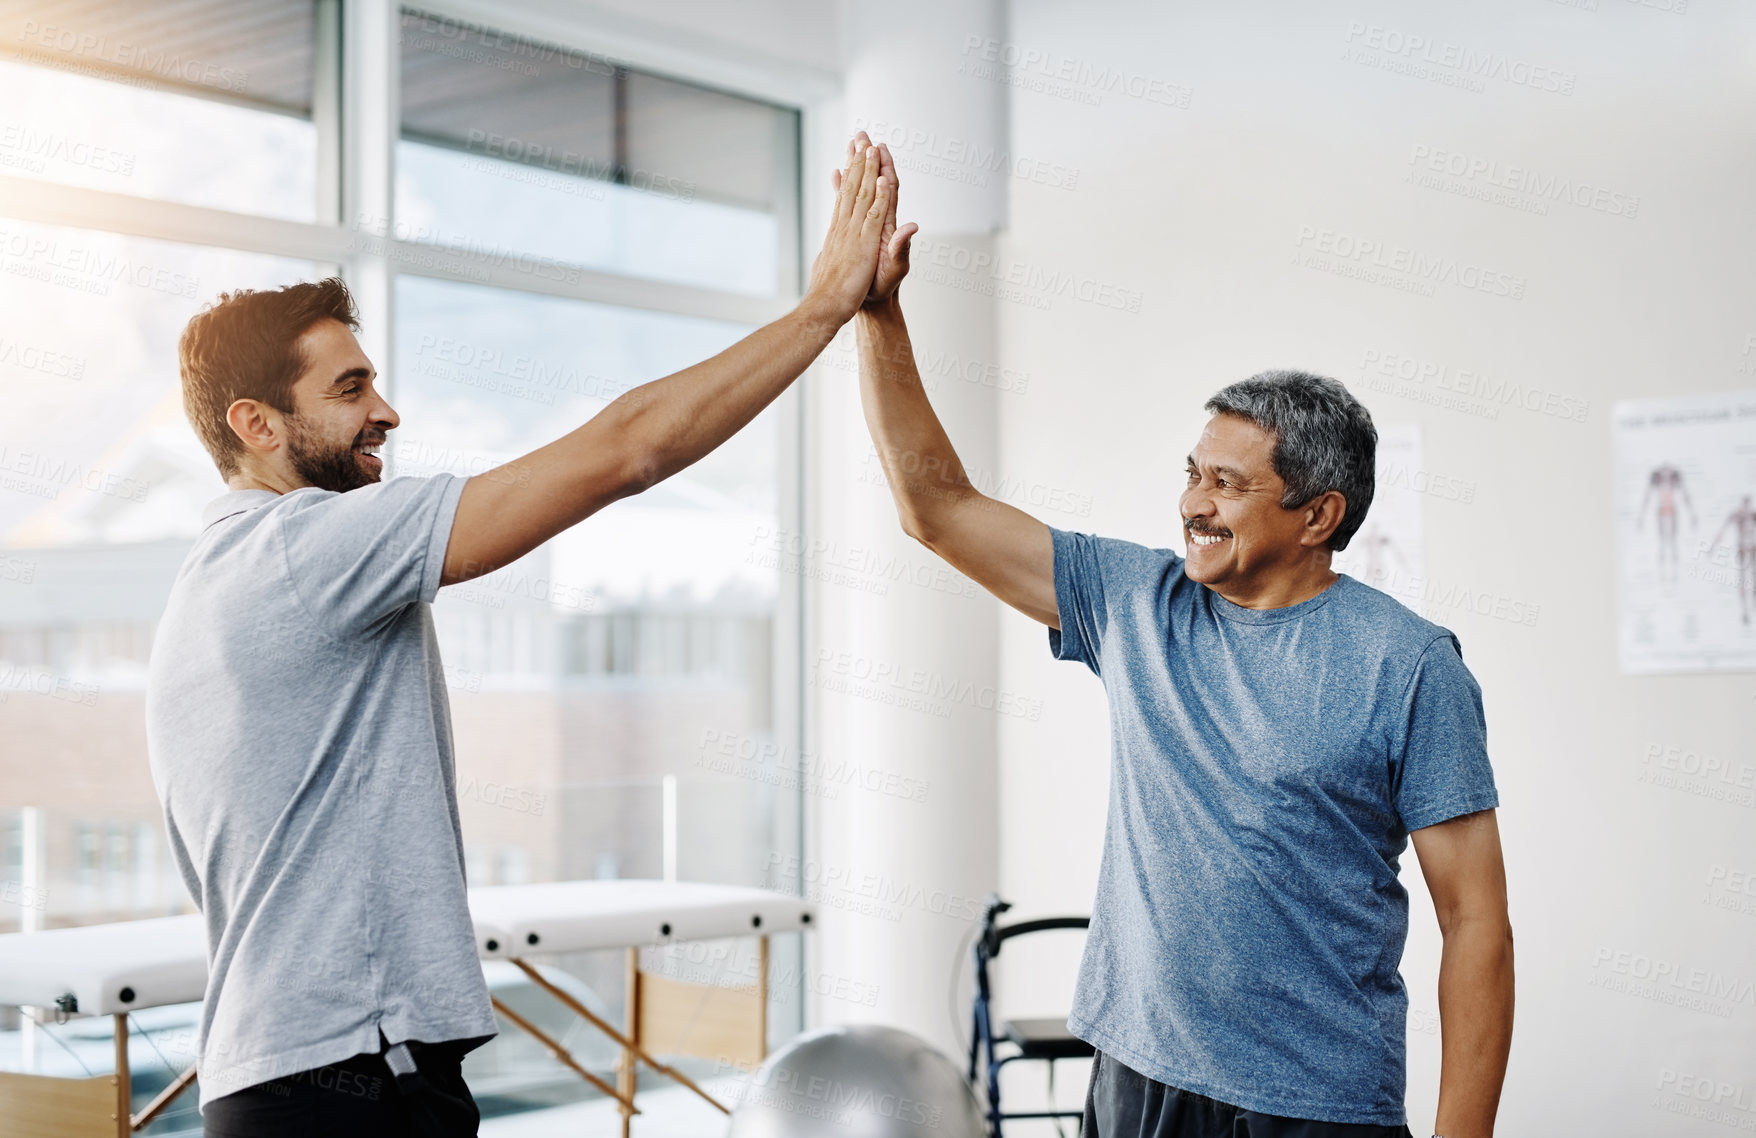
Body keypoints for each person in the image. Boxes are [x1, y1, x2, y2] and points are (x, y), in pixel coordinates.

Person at [144, 138, 896, 1137]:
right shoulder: (298, 550)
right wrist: (822, 309)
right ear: (257, 424)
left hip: (304, 1074)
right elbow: (624, 451)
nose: (387, 411)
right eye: (350, 389)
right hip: (347, 1078)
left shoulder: (216, 582)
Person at [849, 136, 1514, 1137]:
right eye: (1191, 472)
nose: (1191, 505)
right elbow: (934, 507)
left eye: (1226, 483)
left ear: (1317, 515)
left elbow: (1475, 924)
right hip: (1138, 1079)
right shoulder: (1132, 601)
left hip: (1315, 1103)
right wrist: (875, 310)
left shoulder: (1408, 664)